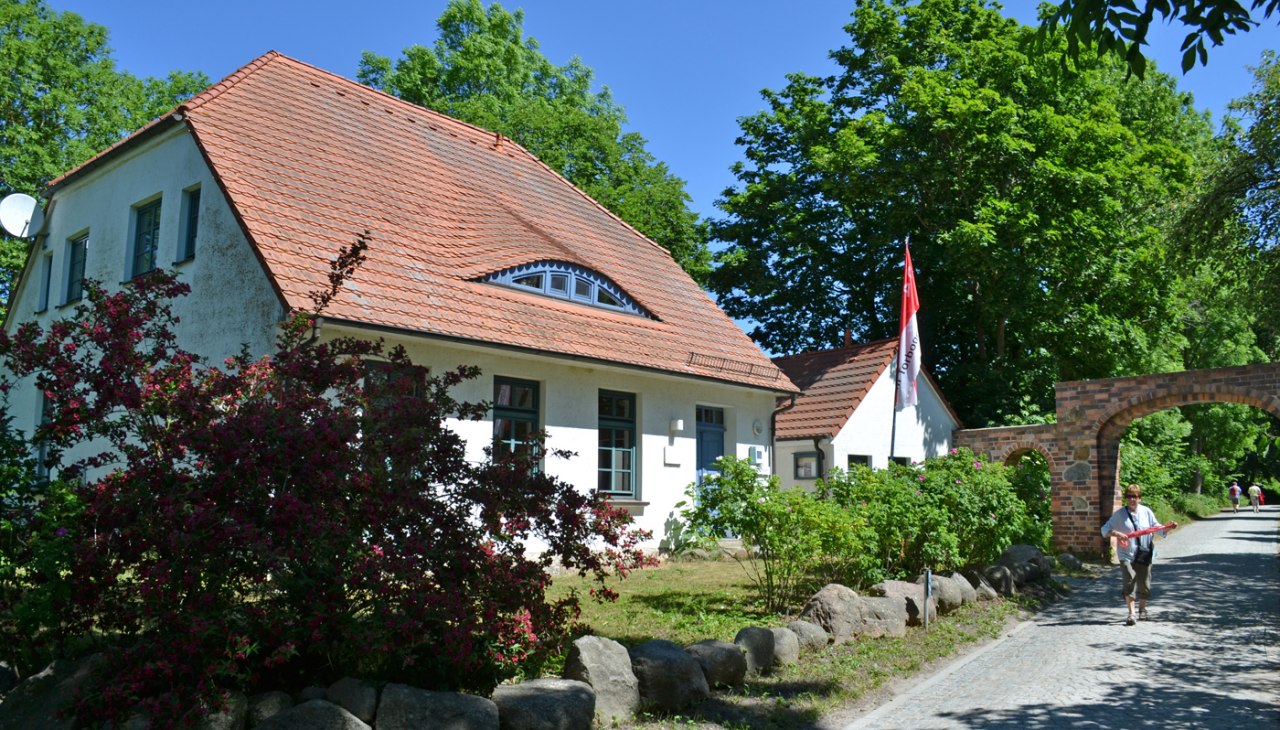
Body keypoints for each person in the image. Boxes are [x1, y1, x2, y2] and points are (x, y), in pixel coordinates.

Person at [1100, 484, 1177, 626]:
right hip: (1126, 554)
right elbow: (1104, 530)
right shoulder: (1119, 514)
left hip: (1144, 553)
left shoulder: (1146, 512)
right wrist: (1116, 533)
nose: (1131, 500)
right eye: (1129, 496)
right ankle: (1131, 613)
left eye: (1134, 496)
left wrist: (1168, 527)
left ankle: (1142, 609)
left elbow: (1157, 528)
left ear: (1139, 498)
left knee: (1145, 586)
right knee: (1129, 581)